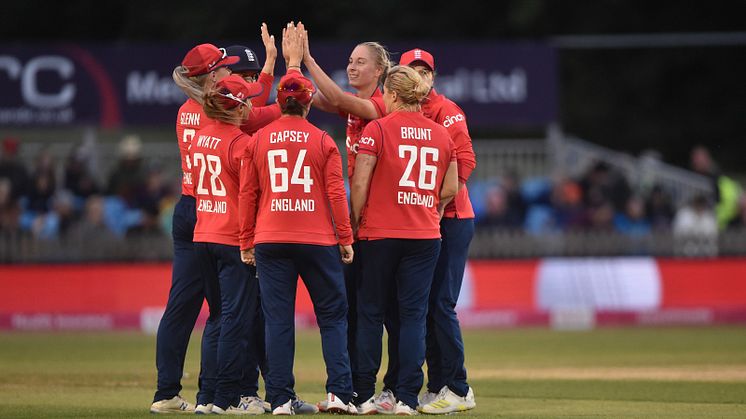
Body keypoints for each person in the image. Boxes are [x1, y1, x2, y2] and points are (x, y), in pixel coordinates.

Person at [238, 66, 357, 415]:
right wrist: (345, 237)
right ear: (308, 105)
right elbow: (336, 192)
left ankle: (279, 399)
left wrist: (247, 241)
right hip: (318, 239)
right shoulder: (322, 140)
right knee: (333, 317)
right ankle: (339, 393)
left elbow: (249, 193)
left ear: (279, 102)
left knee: (277, 320)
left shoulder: (258, 140)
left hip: (271, 238)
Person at [299, 25, 397, 414]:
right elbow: (312, 97)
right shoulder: (354, 105)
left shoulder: (379, 105)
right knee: (355, 308)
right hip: (358, 223)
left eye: (360, 62)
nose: (351, 67)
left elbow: (335, 95)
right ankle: (357, 389)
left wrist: (305, 60)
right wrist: (289, 70)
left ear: (379, 71)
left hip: (377, 222)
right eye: (350, 61)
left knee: (376, 310)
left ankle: (386, 387)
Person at [350, 65, 459, 416]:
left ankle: (364, 393)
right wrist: (431, 206)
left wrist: (352, 224)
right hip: (425, 235)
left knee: (370, 314)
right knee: (413, 317)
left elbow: (360, 182)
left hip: (379, 234)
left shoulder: (376, 129)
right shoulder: (441, 134)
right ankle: (407, 398)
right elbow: (451, 187)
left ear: (393, 95)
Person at [150, 41, 238, 415]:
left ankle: (166, 392)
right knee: (223, 309)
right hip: (214, 209)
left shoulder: (186, 108)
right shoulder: (217, 109)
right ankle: (212, 395)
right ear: (213, 73)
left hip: (188, 206)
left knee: (180, 308)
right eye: (224, 68)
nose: (231, 73)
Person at [690, 145, 742, 230]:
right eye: (695, 159)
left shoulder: (716, 177)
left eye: (698, 159)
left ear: (706, 158)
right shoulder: (694, 178)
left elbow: (723, 199)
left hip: (720, 219)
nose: (696, 162)